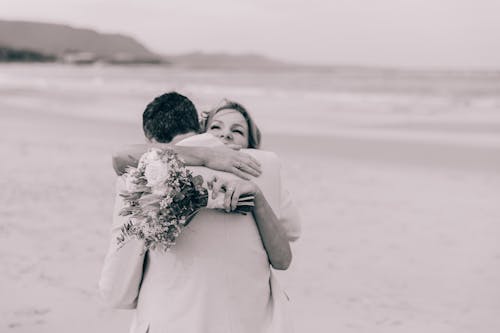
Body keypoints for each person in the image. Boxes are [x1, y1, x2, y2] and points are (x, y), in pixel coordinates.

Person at [99, 93, 300, 333]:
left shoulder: (148, 171)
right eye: (216, 127)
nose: (225, 135)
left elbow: (117, 291)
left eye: (237, 130)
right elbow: (293, 229)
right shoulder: (268, 168)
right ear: (201, 129)